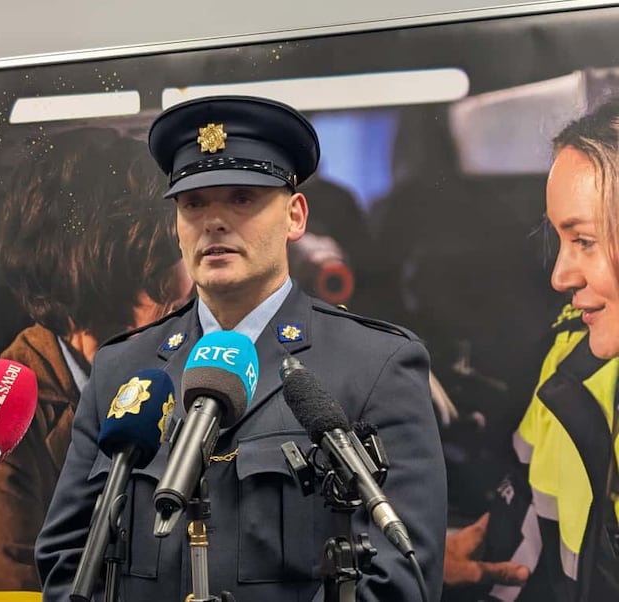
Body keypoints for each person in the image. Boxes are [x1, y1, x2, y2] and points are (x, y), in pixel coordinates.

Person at [36, 96, 447, 601]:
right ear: (176, 226)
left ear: (295, 216)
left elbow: (400, 575)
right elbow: (67, 560)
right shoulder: (123, 369)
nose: (214, 221)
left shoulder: (373, 366)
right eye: (193, 203)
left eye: (242, 198)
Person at [0, 127, 192, 593]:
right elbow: (2, 589)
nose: (186, 282)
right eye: (163, 255)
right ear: (98, 270)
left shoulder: (195, 377)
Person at [443, 99, 619, 601]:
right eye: (559, 239)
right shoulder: (570, 362)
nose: (560, 276)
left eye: (584, 240)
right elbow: (521, 539)